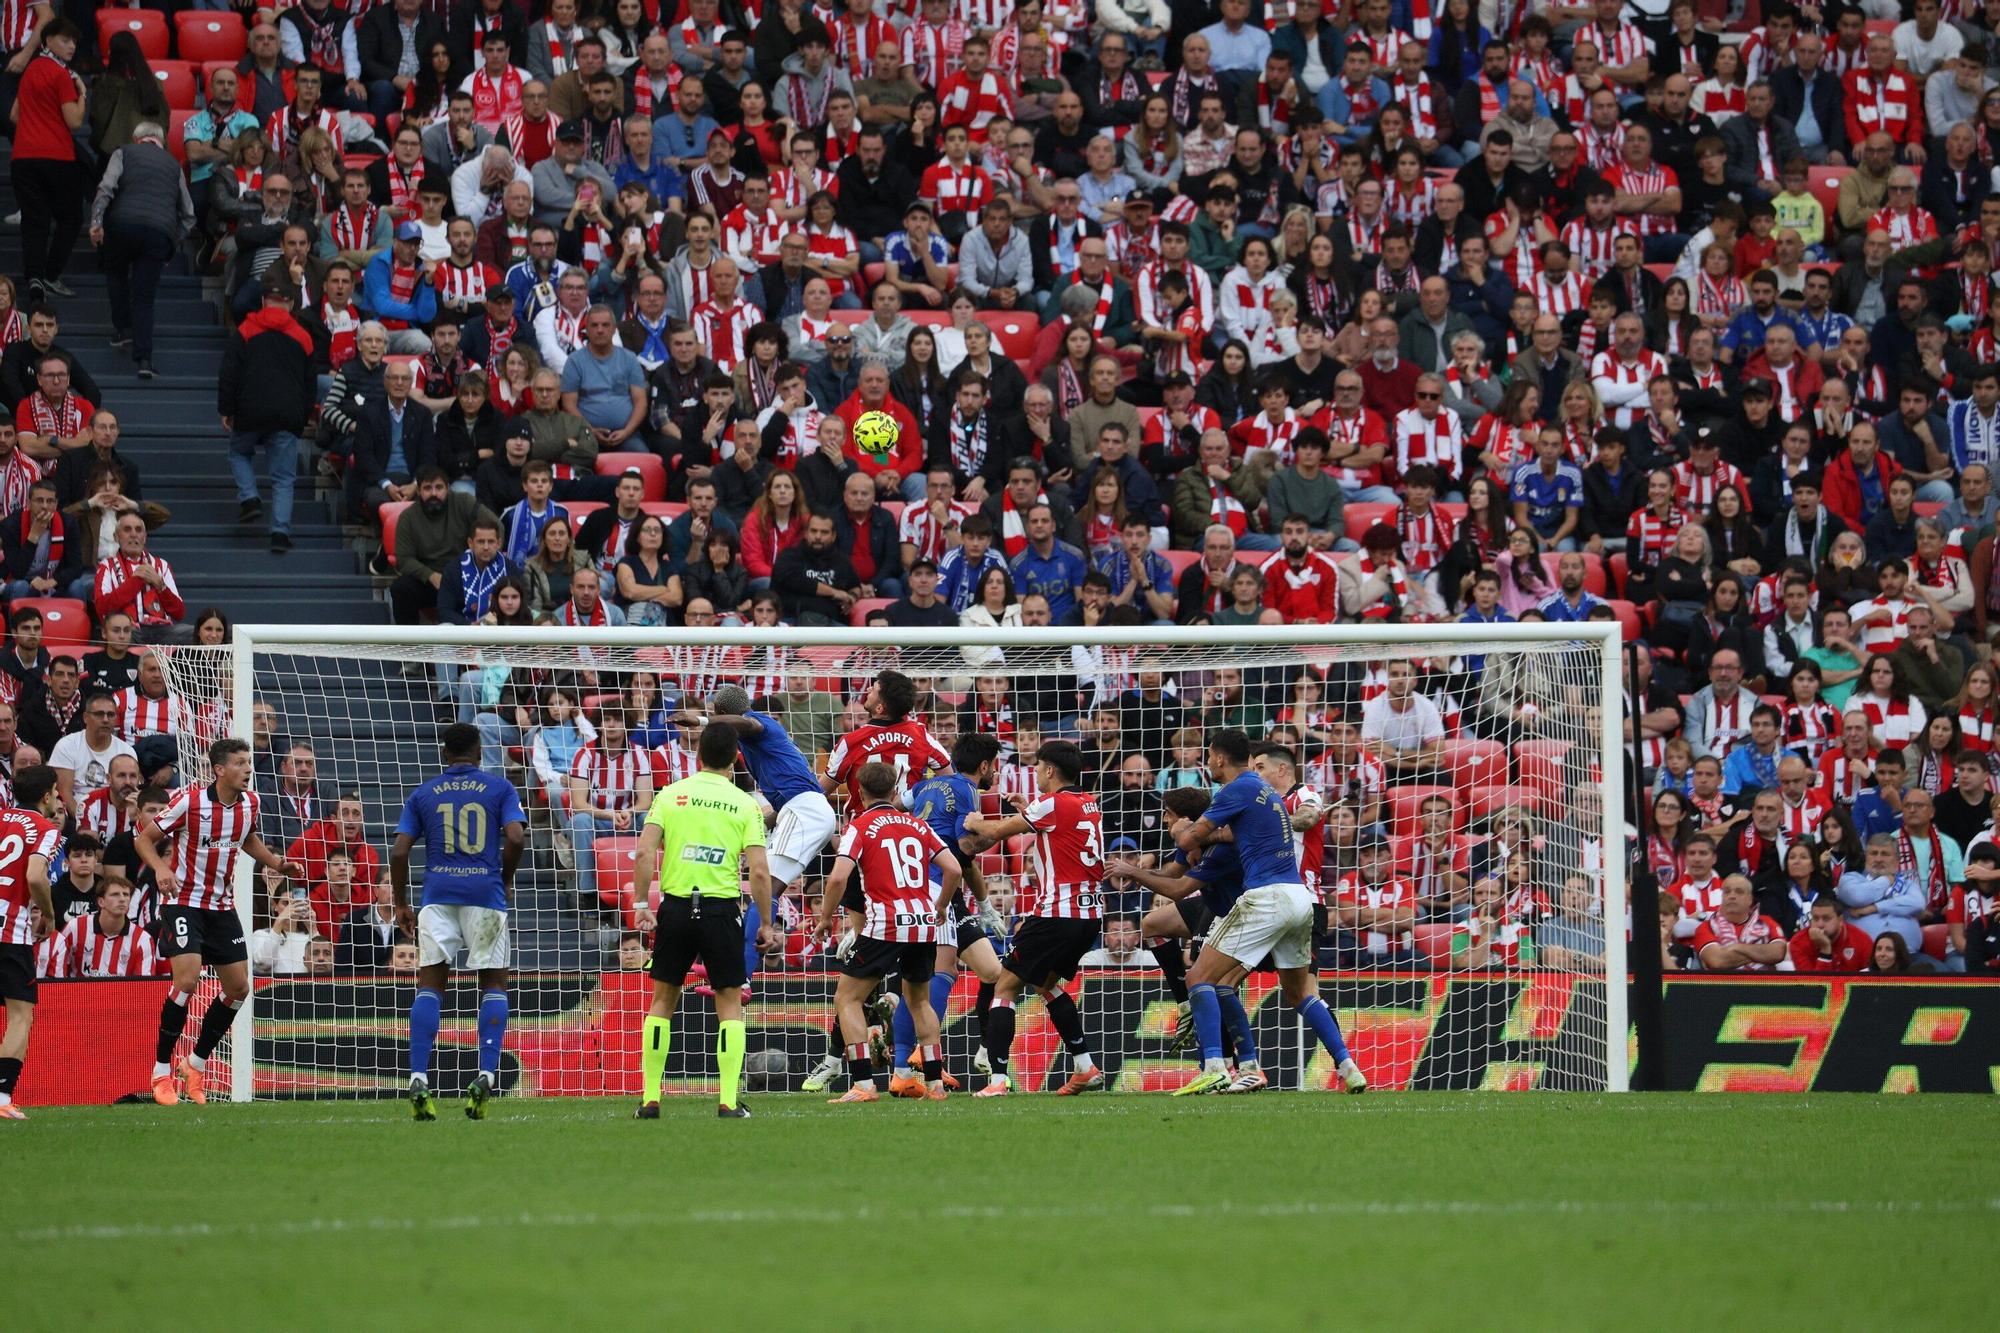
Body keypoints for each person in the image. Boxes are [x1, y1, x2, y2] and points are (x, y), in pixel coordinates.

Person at [1169, 728, 1367, 1096]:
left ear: (1283, 769)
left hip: (1281, 899)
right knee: (1295, 993)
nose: (1256, 772)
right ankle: (1346, 1067)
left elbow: (1307, 818)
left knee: (1208, 978)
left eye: (1261, 766)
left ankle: (1221, 1065)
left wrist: (1269, 825)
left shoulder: (1295, 795)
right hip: (1294, 903)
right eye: (1252, 765)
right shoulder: (1259, 803)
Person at [138, 739, 303, 1106]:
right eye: (241, 763)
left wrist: (276, 864)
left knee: (239, 987)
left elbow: (247, 840)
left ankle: (194, 1064)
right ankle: (161, 1071)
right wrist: (162, 867)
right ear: (219, 769)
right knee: (188, 978)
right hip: (183, 902)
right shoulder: (189, 802)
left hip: (220, 906)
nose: (248, 769)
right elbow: (144, 840)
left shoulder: (251, 803)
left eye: (249, 762)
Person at [631, 721, 776, 1119]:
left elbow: (644, 853)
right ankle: (728, 1100)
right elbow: (760, 871)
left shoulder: (671, 794)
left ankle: (649, 1099)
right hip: (721, 909)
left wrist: (641, 901)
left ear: (697, 755)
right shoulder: (745, 803)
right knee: (729, 1003)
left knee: (662, 1000)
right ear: (734, 759)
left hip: (675, 906)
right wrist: (765, 922)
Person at [391, 724, 526, 1120]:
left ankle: (418, 1078)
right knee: (494, 983)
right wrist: (504, 879)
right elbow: (516, 838)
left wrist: (400, 902)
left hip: (436, 897)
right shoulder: (499, 788)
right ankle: (484, 1075)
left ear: (444, 754)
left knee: (430, 984)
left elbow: (400, 851)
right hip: (484, 896)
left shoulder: (423, 793)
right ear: (480, 753)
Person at [961, 739, 1107, 1096]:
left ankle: (997, 1079)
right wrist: (1027, 811)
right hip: (1090, 915)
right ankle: (1085, 1067)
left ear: (1051, 770)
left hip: (1056, 913)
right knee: (1047, 985)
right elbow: (1058, 831)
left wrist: (975, 821)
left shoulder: (1052, 804)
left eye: (1039, 768)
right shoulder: (1088, 803)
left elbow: (994, 833)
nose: (1037, 773)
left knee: (1003, 987)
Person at [814, 761, 965, 1102]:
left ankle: (864, 1084)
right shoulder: (916, 824)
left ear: (860, 792)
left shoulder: (860, 825)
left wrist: (825, 918)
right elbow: (953, 868)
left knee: (847, 998)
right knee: (920, 1001)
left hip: (885, 923)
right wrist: (940, 905)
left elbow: (838, 877)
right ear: (896, 790)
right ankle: (936, 1085)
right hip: (924, 922)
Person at [88, 119, 195, 381]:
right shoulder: (173, 165)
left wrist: (96, 223)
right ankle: (145, 360)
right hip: (158, 233)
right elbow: (189, 216)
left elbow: (106, 188)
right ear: (161, 141)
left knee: (115, 273)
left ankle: (122, 329)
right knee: (144, 298)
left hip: (122, 226)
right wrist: (171, 243)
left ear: (137, 138)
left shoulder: (124, 152)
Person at [219, 277, 317, 553]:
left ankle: (249, 497)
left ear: (263, 301)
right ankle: (280, 534)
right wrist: (305, 414)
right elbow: (310, 382)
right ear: (291, 303)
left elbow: (229, 374)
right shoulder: (303, 335)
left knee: (239, 453)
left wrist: (226, 409)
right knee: (284, 478)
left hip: (249, 410)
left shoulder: (246, 330)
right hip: (287, 414)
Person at [0, 766, 60, 1118]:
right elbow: (36, 874)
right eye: (55, 791)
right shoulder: (44, 829)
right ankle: (3, 1097)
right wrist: (49, 914)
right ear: (46, 795)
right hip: (10, 930)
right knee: (20, 1015)